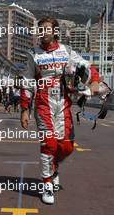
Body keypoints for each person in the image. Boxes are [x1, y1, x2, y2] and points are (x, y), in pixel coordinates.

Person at [20, 17, 99, 204]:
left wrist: (94, 82)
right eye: (40, 29)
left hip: (63, 103)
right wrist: (25, 109)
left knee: (66, 147)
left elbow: (87, 67)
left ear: (55, 31)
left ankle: (54, 167)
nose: (43, 32)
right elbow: (27, 82)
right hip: (43, 103)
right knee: (49, 144)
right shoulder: (33, 53)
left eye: (47, 29)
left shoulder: (67, 51)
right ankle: (47, 184)